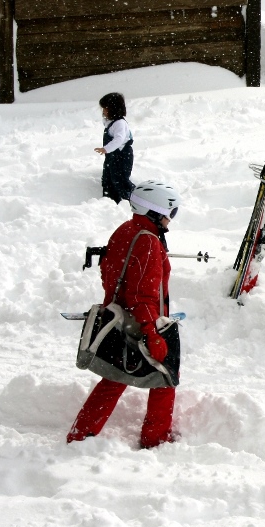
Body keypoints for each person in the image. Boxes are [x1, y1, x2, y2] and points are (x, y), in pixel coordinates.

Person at [68, 180, 181, 448]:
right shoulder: (149, 242)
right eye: (170, 212)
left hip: (119, 315)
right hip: (142, 320)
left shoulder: (125, 230)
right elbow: (142, 295)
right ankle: (157, 439)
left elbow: (111, 273)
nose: (170, 220)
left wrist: (116, 306)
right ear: (155, 210)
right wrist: (152, 332)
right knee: (165, 376)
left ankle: (81, 433)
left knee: (116, 376)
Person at [96, 92, 134, 203]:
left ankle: (132, 200)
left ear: (114, 109)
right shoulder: (111, 122)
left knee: (120, 181)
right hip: (112, 157)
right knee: (107, 179)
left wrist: (106, 149)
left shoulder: (120, 123)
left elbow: (119, 139)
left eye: (105, 109)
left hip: (122, 157)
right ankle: (109, 201)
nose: (103, 111)